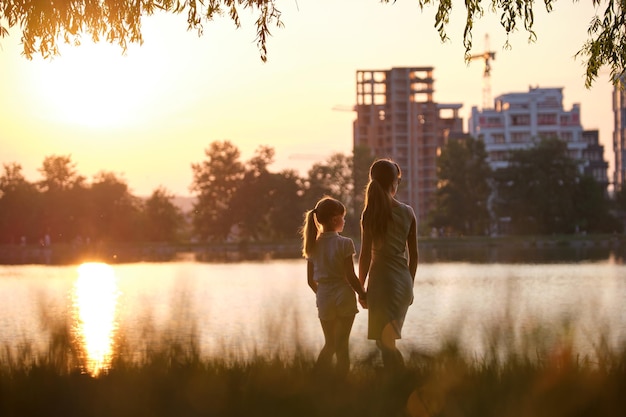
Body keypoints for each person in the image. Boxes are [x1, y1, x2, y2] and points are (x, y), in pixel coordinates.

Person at [358, 159, 418, 375]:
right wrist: (410, 285)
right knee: (388, 341)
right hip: (402, 283)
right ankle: (398, 383)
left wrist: (361, 288)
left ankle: (399, 382)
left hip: (381, 284)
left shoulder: (369, 213)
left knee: (384, 343)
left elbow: (364, 256)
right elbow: (414, 257)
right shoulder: (408, 212)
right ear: (394, 182)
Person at [301, 196, 367, 379]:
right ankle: (341, 384)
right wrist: (363, 293)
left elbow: (309, 281)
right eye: (343, 216)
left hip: (324, 298)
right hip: (344, 296)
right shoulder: (345, 243)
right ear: (334, 219)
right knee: (342, 344)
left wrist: (322, 293)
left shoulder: (313, 245)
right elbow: (350, 276)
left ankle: (315, 379)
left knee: (329, 344)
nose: (344, 220)